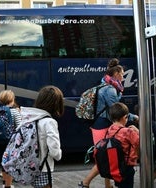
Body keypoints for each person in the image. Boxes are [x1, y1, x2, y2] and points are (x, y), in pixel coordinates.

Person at [78, 58, 139, 188]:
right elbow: (115, 109)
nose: (123, 76)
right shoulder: (110, 89)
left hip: (99, 124)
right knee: (104, 155)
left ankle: (107, 185)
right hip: (102, 125)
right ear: (116, 74)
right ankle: (85, 182)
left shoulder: (105, 83)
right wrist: (133, 117)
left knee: (107, 154)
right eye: (122, 74)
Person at [19, 85, 64, 188]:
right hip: (44, 167)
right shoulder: (49, 122)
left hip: (30, 165)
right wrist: (59, 155)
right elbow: (55, 151)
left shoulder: (28, 118)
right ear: (56, 104)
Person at [0, 90, 21, 188]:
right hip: (10, 140)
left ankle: (4, 182)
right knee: (10, 161)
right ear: (12, 100)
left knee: (3, 160)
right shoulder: (14, 111)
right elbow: (19, 126)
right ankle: (8, 184)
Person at [106, 102, 139, 188]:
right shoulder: (128, 132)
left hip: (116, 166)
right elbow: (139, 142)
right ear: (125, 117)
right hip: (127, 167)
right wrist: (137, 131)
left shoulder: (110, 129)